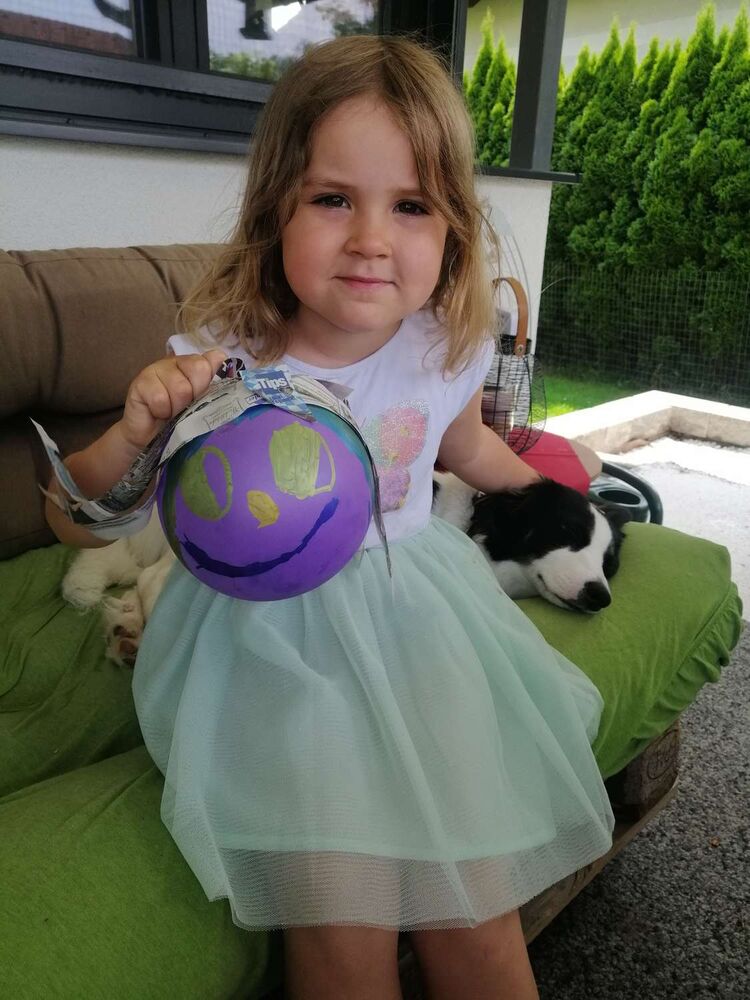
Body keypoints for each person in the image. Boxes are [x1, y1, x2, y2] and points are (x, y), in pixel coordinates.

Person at [46, 35, 614, 1000]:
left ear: (454, 229)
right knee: (340, 933)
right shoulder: (222, 362)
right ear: (278, 207)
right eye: (333, 199)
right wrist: (138, 432)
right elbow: (77, 520)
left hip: (419, 619)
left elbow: (465, 447)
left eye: (411, 205)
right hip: (278, 651)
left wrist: (552, 490)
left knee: (474, 907)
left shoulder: (441, 350)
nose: (371, 239)